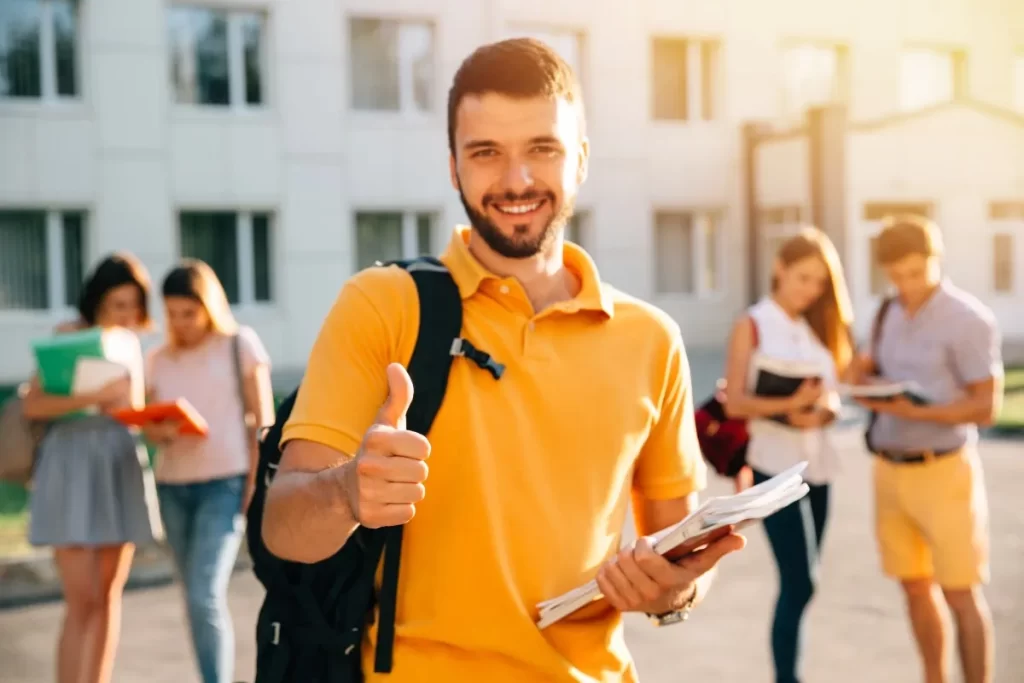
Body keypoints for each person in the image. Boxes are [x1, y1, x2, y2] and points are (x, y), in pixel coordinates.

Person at [261, 38, 746, 682]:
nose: (516, 181)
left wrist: (671, 593)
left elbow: (678, 549)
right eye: (485, 153)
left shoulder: (651, 339)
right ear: (455, 167)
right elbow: (284, 528)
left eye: (541, 149)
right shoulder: (382, 306)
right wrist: (347, 491)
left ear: (581, 159)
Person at [850, 214, 1001, 683]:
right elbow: (860, 372)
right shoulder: (886, 312)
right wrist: (866, 386)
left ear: (936, 261)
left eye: (916, 273)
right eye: (896, 276)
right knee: (915, 589)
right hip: (889, 472)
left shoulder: (968, 319)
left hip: (945, 473)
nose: (907, 284)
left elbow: (986, 406)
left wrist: (915, 411)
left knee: (961, 594)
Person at [721, 227, 854, 683]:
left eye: (819, 282)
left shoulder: (817, 327)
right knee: (801, 581)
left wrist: (824, 411)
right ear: (779, 268)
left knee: (805, 582)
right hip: (773, 468)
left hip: (819, 466)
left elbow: (834, 395)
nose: (810, 290)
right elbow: (735, 402)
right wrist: (790, 407)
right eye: (802, 278)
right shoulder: (753, 323)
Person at [22, 252, 160, 683]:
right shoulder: (67, 334)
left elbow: (132, 408)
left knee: (107, 596)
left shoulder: (132, 343)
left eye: (133, 305)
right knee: (80, 599)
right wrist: (92, 398)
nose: (126, 314)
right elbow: (33, 404)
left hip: (119, 461)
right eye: (117, 304)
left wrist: (152, 417)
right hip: (71, 464)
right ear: (97, 299)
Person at [143, 259, 275, 683]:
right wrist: (159, 430)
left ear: (208, 305)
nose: (181, 323)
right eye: (173, 314)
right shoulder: (159, 358)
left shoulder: (240, 344)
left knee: (204, 594)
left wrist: (254, 485)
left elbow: (263, 420)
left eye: (190, 312)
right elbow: (148, 424)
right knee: (192, 596)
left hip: (225, 484)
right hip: (172, 487)